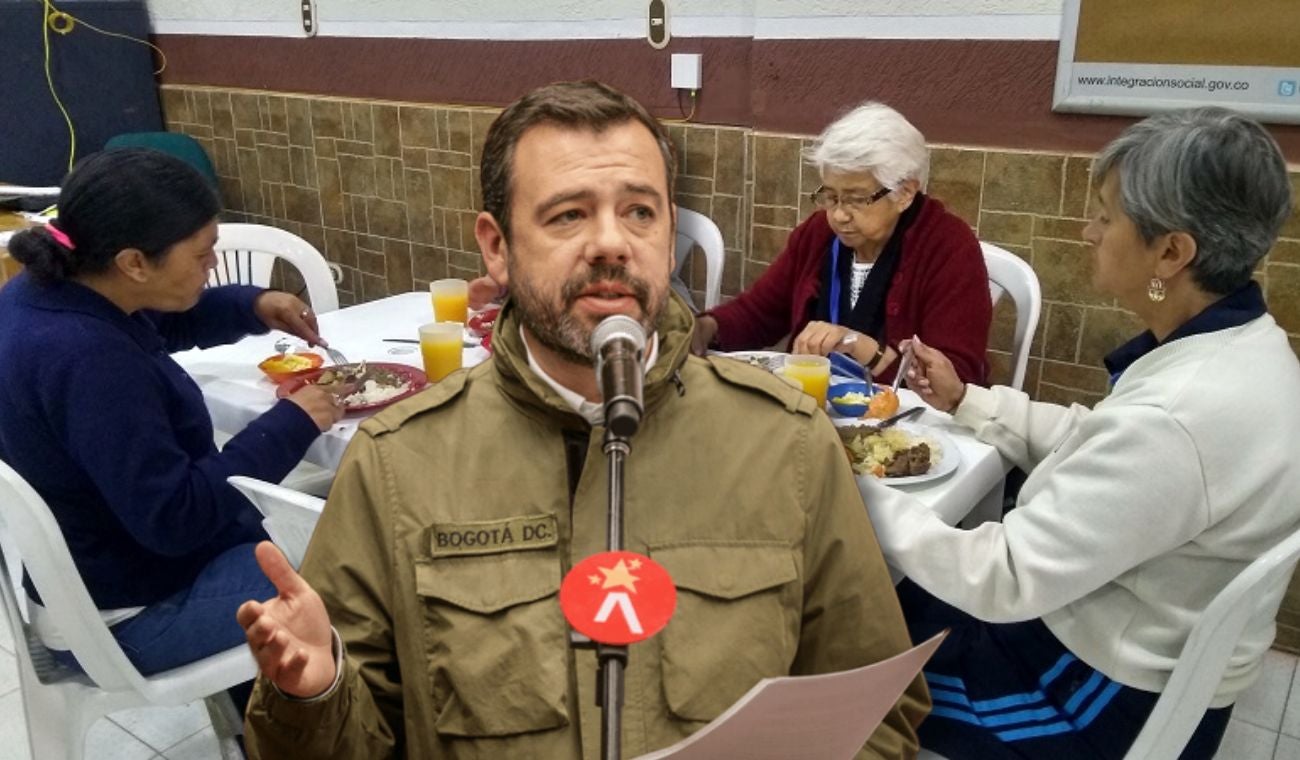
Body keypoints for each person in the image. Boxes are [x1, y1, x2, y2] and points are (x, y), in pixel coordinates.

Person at [238, 80, 929, 759]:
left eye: (639, 212)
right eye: (568, 215)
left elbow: (876, 709)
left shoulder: (788, 445)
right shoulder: (396, 466)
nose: (611, 243)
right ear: (497, 246)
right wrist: (313, 695)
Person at [865, 107, 1300, 758]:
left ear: (1172, 251)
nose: (1086, 231)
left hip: (1094, 697)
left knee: (850, 662)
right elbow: (1101, 441)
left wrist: (855, 491)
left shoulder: (1178, 417)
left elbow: (1005, 576)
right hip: (1130, 639)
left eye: (1105, 214)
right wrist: (967, 400)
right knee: (896, 605)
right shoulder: (1247, 347)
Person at [0, 149, 344, 686]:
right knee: (371, 556)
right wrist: (293, 422)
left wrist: (251, 305)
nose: (212, 265)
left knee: (343, 514)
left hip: (99, 575)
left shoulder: (45, 295)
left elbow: (154, 323)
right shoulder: (90, 359)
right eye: (203, 254)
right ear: (134, 262)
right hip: (131, 617)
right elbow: (178, 519)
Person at [692, 101, 992, 385]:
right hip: (820, 408)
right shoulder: (819, 233)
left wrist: (860, 347)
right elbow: (761, 311)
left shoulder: (949, 247)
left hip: (909, 425)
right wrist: (705, 328)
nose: (838, 215)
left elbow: (957, 378)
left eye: (856, 199)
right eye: (831, 196)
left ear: (904, 193)